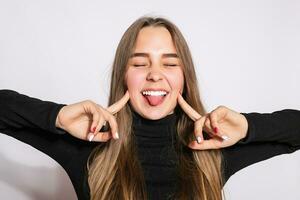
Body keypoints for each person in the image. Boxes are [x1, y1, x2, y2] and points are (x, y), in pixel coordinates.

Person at [0, 16, 300, 200]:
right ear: (123, 77)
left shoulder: (213, 147)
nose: (155, 73)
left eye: (169, 63)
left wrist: (248, 128)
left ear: (184, 79)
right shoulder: (88, 146)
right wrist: (57, 117)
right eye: (140, 63)